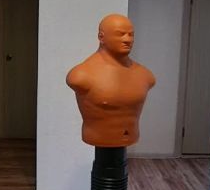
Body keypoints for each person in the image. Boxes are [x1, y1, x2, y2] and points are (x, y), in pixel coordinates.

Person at [66, 13, 156, 147]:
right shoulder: (81, 75)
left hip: (131, 137)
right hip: (97, 138)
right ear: (101, 37)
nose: (128, 39)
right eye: (120, 34)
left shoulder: (145, 75)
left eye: (131, 35)